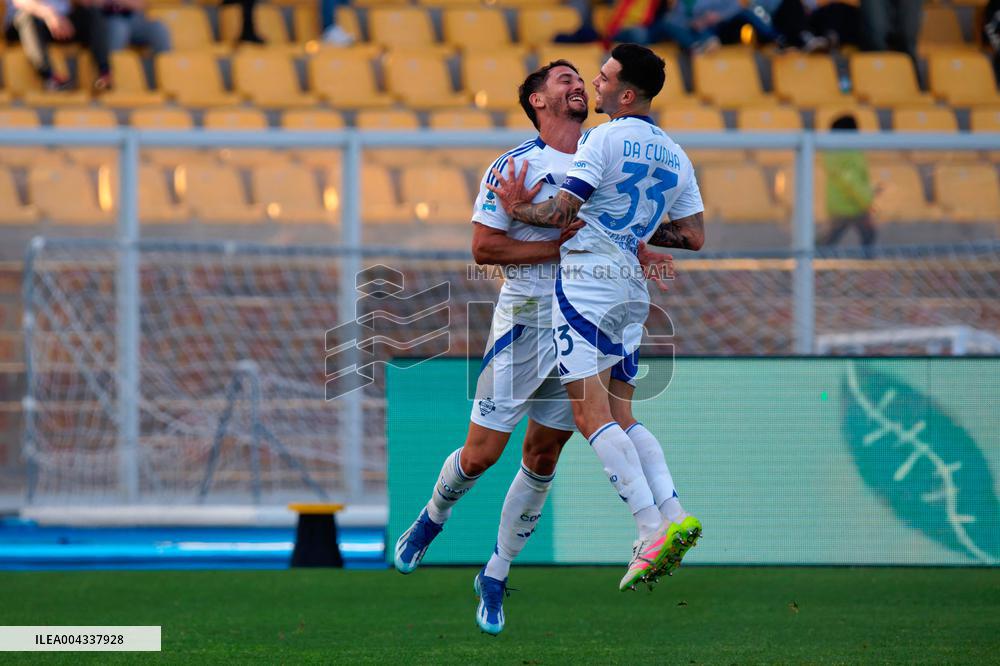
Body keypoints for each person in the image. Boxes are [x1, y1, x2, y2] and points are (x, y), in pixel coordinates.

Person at [393, 60, 675, 636]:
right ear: (538, 101)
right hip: (525, 320)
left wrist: (633, 251)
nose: (577, 86)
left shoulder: (606, 153)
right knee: (481, 456)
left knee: (543, 457)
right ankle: (433, 515)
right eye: (564, 80)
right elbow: (484, 248)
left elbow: (623, 229)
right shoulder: (516, 165)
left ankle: (495, 575)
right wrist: (563, 252)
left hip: (589, 318)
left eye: (581, 79)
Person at [488, 43, 705, 592]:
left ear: (626, 94)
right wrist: (631, 225)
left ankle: (649, 528)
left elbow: (560, 212)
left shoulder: (603, 139)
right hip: (632, 292)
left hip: (588, 286)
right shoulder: (677, 155)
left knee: (589, 416)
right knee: (622, 415)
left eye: (605, 78)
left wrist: (516, 210)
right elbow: (693, 236)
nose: (596, 83)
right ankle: (674, 512)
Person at [5, 0, 111, 90]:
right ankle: (49, 77)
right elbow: (22, 2)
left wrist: (60, 18)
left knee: (92, 13)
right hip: (25, 23)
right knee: (27, 18)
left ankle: (104, 73)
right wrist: (49, 15)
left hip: (62, 23)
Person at [819, 114, 877, 254]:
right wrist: (866, 201)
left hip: (839, 205)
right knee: (868, 235)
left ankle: (811, 263)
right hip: (853, 205)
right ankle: (867, 267)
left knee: (829, 239)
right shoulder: (850, 152)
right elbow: (852, 182)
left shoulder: (832, 153)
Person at [100, 0, 169, 55]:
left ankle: (165, 68)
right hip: (108, 20)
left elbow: (141, 4)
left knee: (158, 28)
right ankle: (110, 68)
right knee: (119, 28)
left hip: (134, 21)